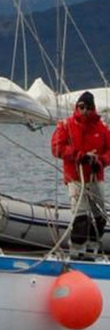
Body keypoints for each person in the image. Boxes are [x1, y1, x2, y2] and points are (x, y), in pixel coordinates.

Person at [51, 90, 110, 256]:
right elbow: (57, 148)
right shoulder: (66, 125)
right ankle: (76, 253)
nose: (85, 111)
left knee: (100, 217)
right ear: (77, 107)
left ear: (93, 108)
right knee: (81, 218)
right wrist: (79, 156)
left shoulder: (101, 127)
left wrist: (101, 161)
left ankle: (92, 250)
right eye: (82, 107)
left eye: (88, 107)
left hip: (95, 176)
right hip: (76, 177)